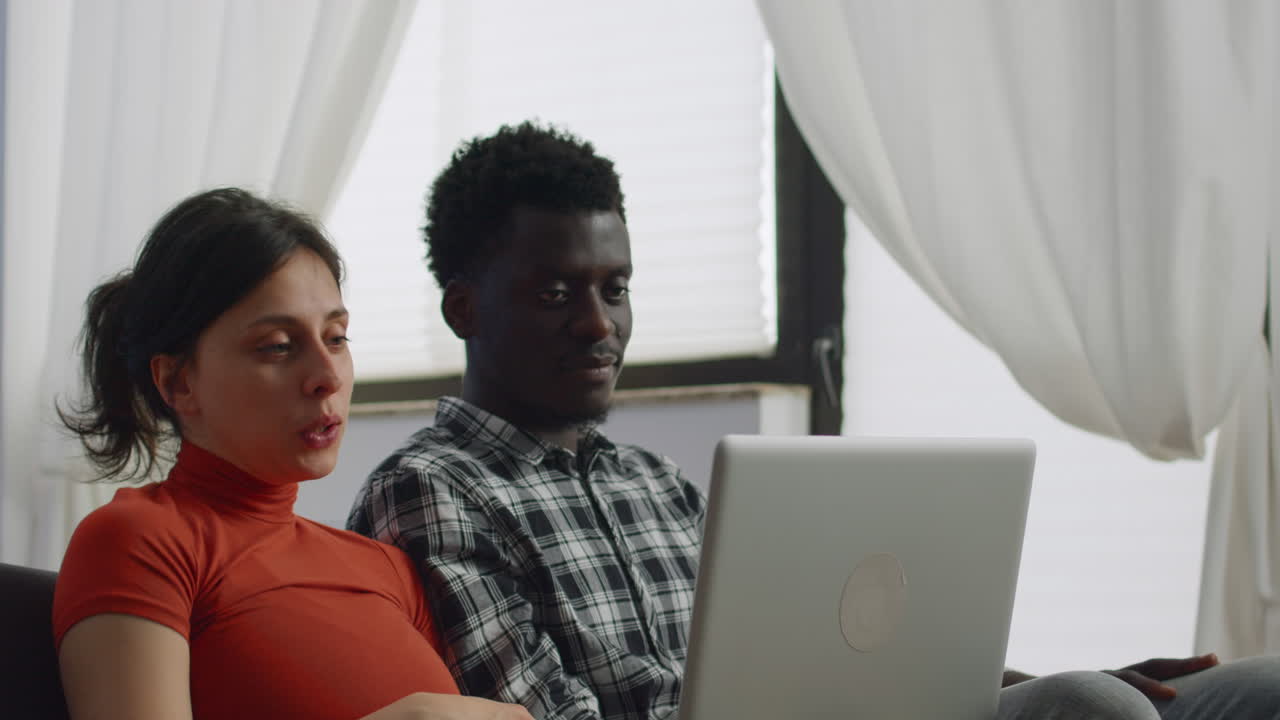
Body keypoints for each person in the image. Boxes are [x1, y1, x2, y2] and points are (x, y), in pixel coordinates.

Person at [347, 122, 1280, 720]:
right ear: (464, 309)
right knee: (1096, 715)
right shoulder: (432, 491)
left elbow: (821, 650)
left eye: (616, 288)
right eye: (556, 293)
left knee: (1248, 685)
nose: (599, 325)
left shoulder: (652, 479)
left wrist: (1025, 683)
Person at [53, 187, 532, 720]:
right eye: (278, 346)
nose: (326, 378)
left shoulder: (387, 568)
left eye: (336, 337)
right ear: (177, 381)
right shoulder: (140, 540)